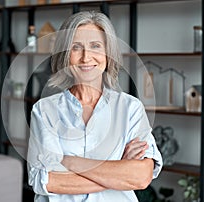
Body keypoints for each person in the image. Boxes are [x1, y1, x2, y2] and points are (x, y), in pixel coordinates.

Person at [27, 10, 163, 202]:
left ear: (108, 54)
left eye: (95, 46)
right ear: (65, 55)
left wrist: (70, 162)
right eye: (76, 47)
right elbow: (46, 181)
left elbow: (141, 177)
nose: (86, 57)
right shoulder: (44, 111)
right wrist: (119, 171)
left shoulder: (130, 109)